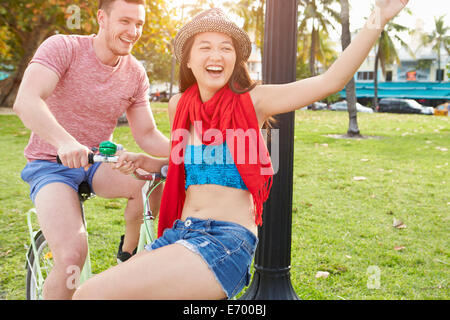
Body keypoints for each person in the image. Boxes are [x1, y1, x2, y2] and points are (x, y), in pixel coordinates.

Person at [73, 0, 409, 300]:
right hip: (182, 231)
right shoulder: (180, 106)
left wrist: (378, 17)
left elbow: (330, 81)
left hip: (225, 242)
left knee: (91, 294)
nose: (216, 56)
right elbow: (185, 165)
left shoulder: (255, 101)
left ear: (236, 59)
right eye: (205, 47)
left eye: (226, 48)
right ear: (188, 59)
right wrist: (148, 161)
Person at [13, 0, 169, 299]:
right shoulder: (63, 47)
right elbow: (27, 100)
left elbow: (147, 134)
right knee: (72, 255)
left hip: (100, 160)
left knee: (150, 183)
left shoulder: (135, 73)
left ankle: (128, 253)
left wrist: (190, 148)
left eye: (139, 24)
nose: (133, 31)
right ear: (102, 18)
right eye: (125, 21)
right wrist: (65, 141)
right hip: (50, 163)